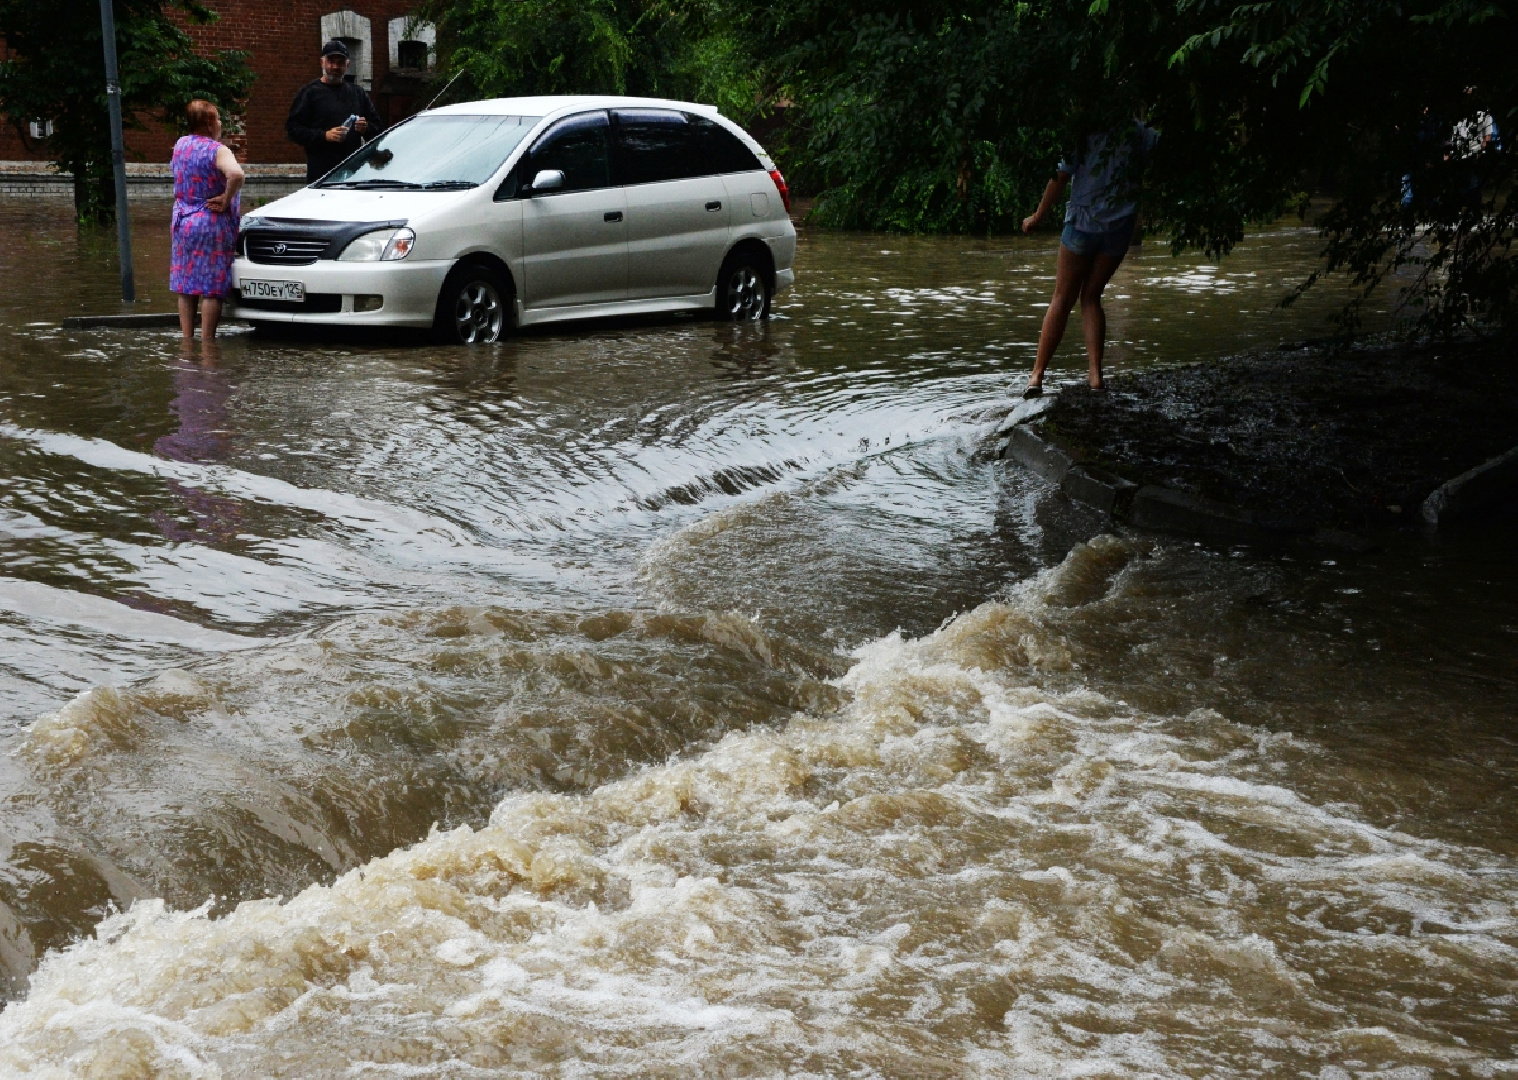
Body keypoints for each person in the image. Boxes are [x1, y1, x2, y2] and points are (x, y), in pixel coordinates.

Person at [1020, 119, 1157, 395]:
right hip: (1120, 226)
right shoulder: (1139, 131)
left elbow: (1060, 176)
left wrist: (1037, 216)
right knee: (1091, 296)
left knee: (1062, 298)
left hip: (1083, 222)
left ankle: (1036, 376)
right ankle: (1095, 375)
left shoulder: (1084, 131)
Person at [170, 99, 244, 342]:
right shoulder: (217, 149)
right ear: (211, 123)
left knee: (186, 284)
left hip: (182, 221)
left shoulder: (180, 144)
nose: (221, 122)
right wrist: (226, 198)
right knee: (211, 287)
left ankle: (187, 342)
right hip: (210, 222)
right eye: (218, 118)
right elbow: (236, 174)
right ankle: (208, 345)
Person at [286, 39, 383, 182]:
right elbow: (292, 130)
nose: (335, 67)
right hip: (321, 176)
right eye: (331, 62)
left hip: (353, 175)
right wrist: (324, 135)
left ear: (347, 65)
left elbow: (379, 130)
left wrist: (366, 128)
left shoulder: (358, 93)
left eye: (340, 63)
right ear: (322, 63)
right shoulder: (309, 93)